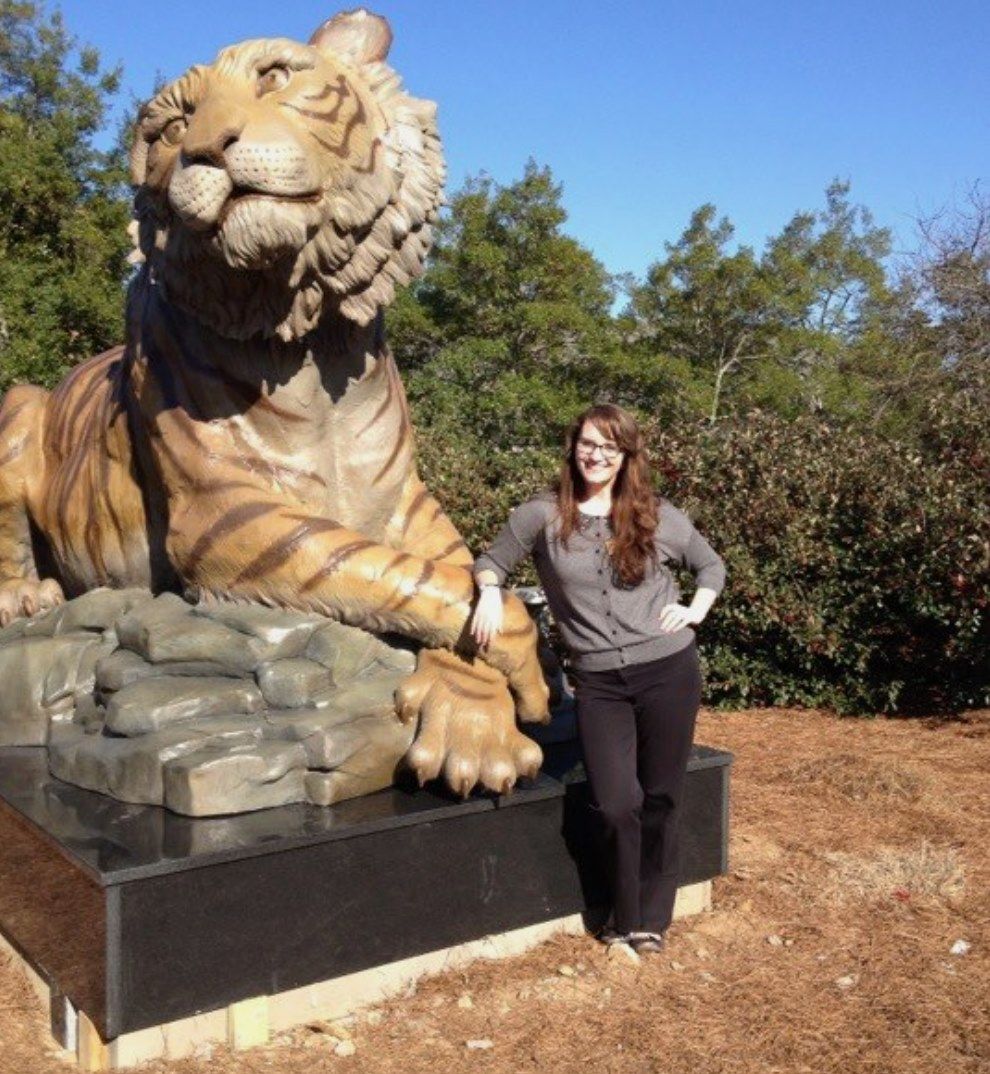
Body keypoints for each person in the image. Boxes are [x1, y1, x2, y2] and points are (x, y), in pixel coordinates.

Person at [471, 403, 725, 955]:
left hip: (668, 670)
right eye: (588, 443)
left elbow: (711, 566)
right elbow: (492, 560)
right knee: (615, 802)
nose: (596, 455)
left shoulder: (655, 514)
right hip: (600, 683)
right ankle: (622, 912)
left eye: (609, 447)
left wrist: (695, 611)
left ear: (626, 455)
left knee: (660, 796)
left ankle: (647, 921)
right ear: (573, 446)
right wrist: (489, 590)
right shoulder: (540, 514)